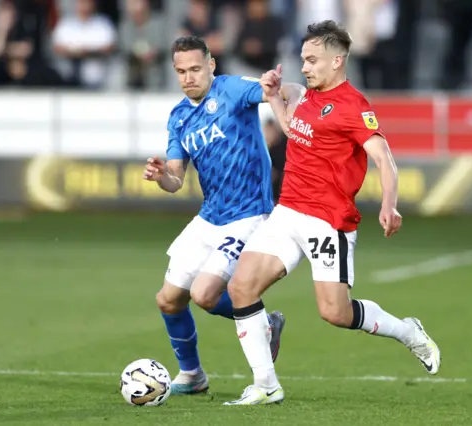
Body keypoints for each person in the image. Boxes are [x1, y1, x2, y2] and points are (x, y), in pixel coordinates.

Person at [222, 21, 441, 406]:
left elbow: (384, 159)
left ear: (337, 60)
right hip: (287, 211)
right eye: (303, 60)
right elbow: (295, 127)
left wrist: (389, 205)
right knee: (241, 287)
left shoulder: (354, 107)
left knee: (335, 313)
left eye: (312, 60)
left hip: (328, 222)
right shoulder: (308, 97)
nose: (304, 67)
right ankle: (266, 384)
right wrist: (275, 96)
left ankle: (407, 332)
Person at [143, 36, 287, 395]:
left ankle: (263, 323)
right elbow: (176, 179)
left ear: (211, 65)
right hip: (210, 216)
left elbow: (265, 93)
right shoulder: (179, 117)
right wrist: (163, 176)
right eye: (181, 71)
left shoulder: (232, 90)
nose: (188, 77)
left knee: (206, 295)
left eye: (195, 68)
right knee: (168, 299)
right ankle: (192, 376)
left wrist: (269, 85)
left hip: (250, 213)